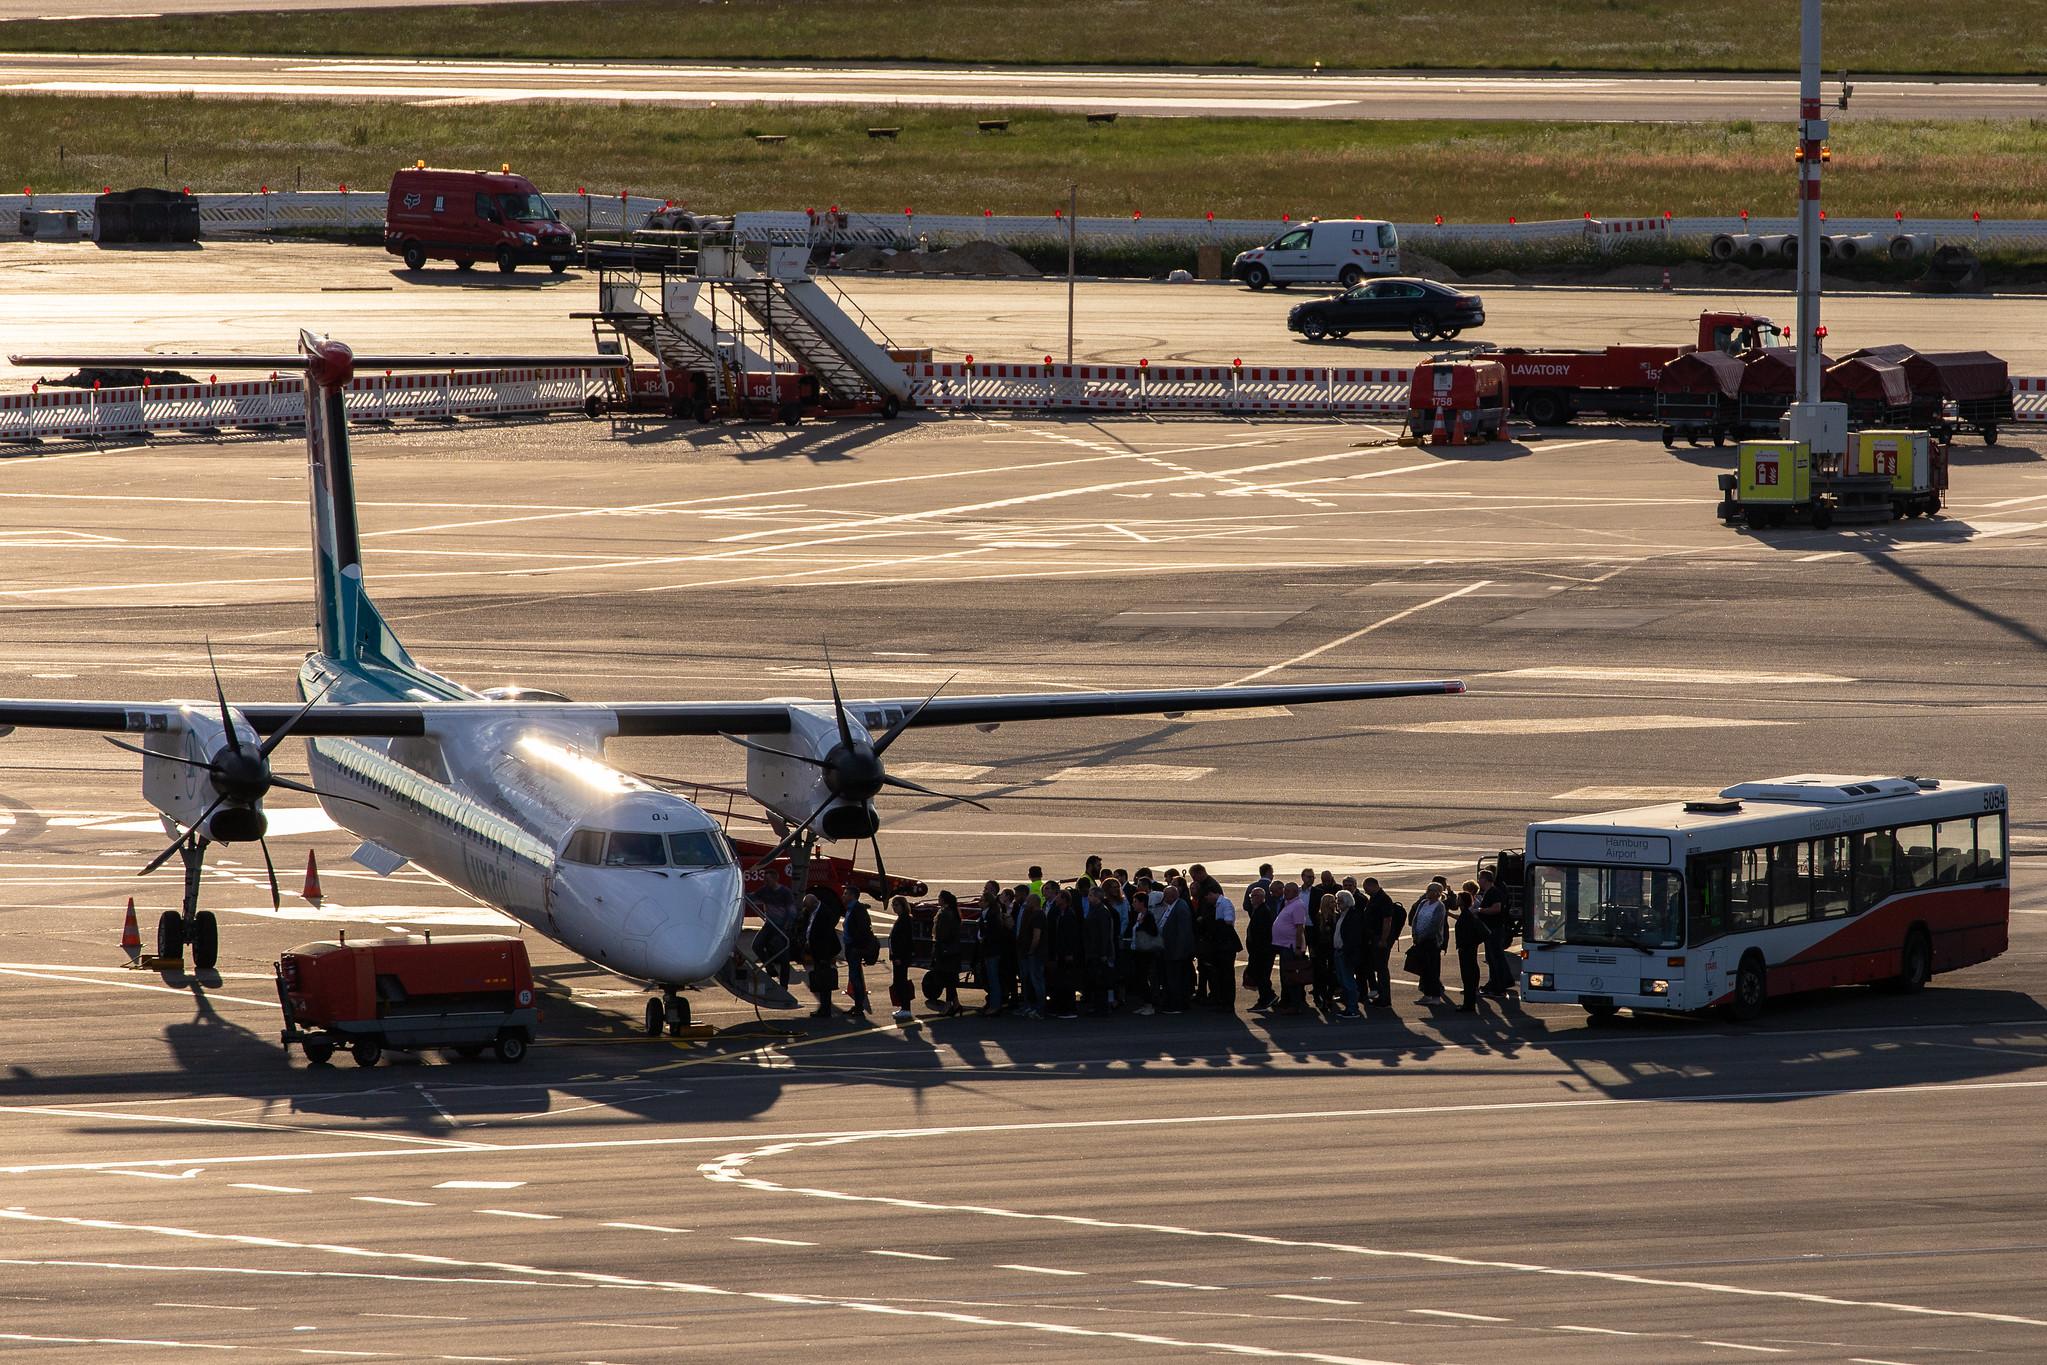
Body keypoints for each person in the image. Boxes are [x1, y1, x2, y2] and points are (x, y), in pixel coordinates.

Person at [1361, 877, 1405, 1009]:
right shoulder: (1375, 898)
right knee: (1377, 967)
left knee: (1381, 968)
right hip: (1375, 938)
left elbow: (1387, 921)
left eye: (1366, 888)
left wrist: (1383, 939)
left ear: (1373, 886)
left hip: (1380, 938)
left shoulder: (1383, 899)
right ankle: (1381, 995)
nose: (1365, 891)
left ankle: (1385, 998)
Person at [800, 891, 842, 1021]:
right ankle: (824, 1007)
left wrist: (824, 957)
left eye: (808, 907)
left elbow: (826, 938)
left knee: (824, 981)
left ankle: (825, 1009)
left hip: (824, 953)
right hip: (817, 951)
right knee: (821, 980)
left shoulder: (824, 913)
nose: (806, 910)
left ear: (814, 904)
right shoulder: (813, 911)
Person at [1270, 887, 1311, 1015]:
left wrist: (1298, 947)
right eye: (1285, 890)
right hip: (1284, 945)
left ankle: (1295, 1004)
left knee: (1292, 977)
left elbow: (1299, 928)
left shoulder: (1297, 905)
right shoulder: (1289, 904)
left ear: (1295, 892)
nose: (1285, 892)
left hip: (1291, 947)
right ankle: (1287, 1001)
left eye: (1288, 890)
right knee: (1286, 976)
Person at [755, 868, 799, 988]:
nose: (765, 882)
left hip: (781, 927)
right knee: (757, 945)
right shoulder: (764, 891)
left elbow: (792, 912)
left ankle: (784, 985)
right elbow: (753, 897)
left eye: (768, 880)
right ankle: (769, 966)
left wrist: (786, 928)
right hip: (770, 925)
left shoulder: (785, 893)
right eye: (764, 879)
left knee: (784, 957)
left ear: (775, 879)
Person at [1157, 880, 1195, 1014]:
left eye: (1165, 895)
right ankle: (1173, 1002)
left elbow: (1184, 932)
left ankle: (1177, 1004)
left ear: (1172, 896)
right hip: (1169, 949)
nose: (1163, 898)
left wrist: (1180, 951)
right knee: (1171, 978)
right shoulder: (1172, 906)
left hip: (1176, 951)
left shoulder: (1180, 907)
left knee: (1176, 979)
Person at [1476, 868, 1515, 999]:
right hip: (1491, 929)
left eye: (1480, 878)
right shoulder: (1489, 891)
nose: (1478, 881)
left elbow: (1496, 908)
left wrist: (1480, 910)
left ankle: (1499, 986)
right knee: (1493, 957)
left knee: (1495, 957)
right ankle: (1497, 983)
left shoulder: (1494, 892)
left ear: (1485, 880)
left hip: (1494, 929)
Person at [1408, 881, 1449, 1005]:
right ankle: (1427, 993)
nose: (1428, 892)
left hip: (1431, 941)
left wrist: (1423, 936)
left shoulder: (1440, 906)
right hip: (1420, 939)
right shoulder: (1423, 903)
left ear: (1437, 893)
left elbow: (1435, 925)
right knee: (1424, 969)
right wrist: (1415, 934)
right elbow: (1415, 919)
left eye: (1431, 890)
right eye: (1428, 890)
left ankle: (1435, 996)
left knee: (1433, 969)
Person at [1046, 888, 1084, 1019]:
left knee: (1067, 982)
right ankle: (1060, 1007)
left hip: (1066, 953)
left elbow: (1071, 936)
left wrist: (1069, 953)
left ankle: (1069, 1009)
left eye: (1058, 896)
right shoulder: (1059, 913)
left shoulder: (1069, 915)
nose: (1056, 899)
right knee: (1060, 981)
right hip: (1060, 952)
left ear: (1064, 899)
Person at [925, 889, 963, 1016]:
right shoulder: (953, 912)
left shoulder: (945, 914)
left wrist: (937, 947)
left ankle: (948, 1006)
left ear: (943, 900)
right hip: (952, 951)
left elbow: (942, 934)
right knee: (950, 979)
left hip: (945, 952)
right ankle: (956, 1004)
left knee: (947, 979)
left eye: (939, 898)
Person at [841, 891, 879, 1019]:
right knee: (854, 977)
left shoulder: (858, 910)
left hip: (855, 948)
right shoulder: (850, 909)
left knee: (855, 977)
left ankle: (859, 1006)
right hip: (851, 947)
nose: (843, 896)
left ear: (852, 896)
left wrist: (856, 946)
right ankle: (857, 1005)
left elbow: (862, 930)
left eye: (846, 894)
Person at [1081, 882, 1118, 1015]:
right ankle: (1097, 1005)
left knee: (1100, 980)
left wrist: (1103, 953)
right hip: (1093, 950)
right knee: (1095, 980)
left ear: (1097, 897)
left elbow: (1104, 934)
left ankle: (1102, 1007)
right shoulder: (1095, 910)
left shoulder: (1102, 911)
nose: (1089, 898)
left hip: (1098, 952)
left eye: (1091, 895)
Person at [1330, 890, 1365, 1018]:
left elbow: (1353, 937)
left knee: (1348, 980)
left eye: (1340, 901)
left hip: (1345, 953)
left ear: (1347, 902)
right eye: (1337, 901)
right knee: (1343, 980)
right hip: (1339, 951)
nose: (1337, 903)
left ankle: (1352, 1008)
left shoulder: (1352, 916)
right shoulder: (1342, 915)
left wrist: (1346, 950)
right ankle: (1350, 1007)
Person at [1127, 890, 1162, 1016]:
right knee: (1139, 978)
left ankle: (1150, 1005)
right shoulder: (1138, 916)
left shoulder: (1148, 916)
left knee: (1144, 978)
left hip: (1146, 953)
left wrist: (1142, 927)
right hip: (1137, 951)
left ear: (1142, 903)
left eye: (1135, 902)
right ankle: (1145, 1004)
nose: (1133, 904)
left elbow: (1153, 932)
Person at [1243, 884, 1276, 1012]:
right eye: (1251, 896)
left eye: (1254, 896)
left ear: (1261, 897)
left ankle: (1266, 999)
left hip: (1262, 951)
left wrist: (1257, 950)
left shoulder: (1262, 912)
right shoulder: (1258, 910)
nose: (1251, 898)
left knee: (1261, 975)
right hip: (1260, 950)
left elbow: (1262, 934)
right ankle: (1268, 996)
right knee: (1261, 975)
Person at [1454, 881, 1486, 1012]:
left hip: (1466, 948)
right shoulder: (1467, 914)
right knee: (1469, 975)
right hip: (1468, 947)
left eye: (1458, 899)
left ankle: (1469, 1004)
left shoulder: (1466, 916)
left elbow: (1469, 933)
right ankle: (1468, 1003)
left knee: (1467, 976)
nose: (1457, 901)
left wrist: (1466, 945)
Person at [1014, 892, 1047, 1019]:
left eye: (1028, 901)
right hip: (1031, 952)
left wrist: (1031, 950)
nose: (1026, 904)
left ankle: (1040, 1009)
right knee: (1032, 980)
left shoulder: (1037, 915)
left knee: (1036, 980)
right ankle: (1033, 1007)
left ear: (1033, 902)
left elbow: (1036, 936)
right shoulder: (1034, 914)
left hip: (1035, 953)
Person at [978, 896, 1012, 1016]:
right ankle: (993, 1004)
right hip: (989, 950)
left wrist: (983, 938)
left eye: (982, 900)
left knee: (993, 979)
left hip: (992, 951)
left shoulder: (992, 916)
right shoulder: (987, 914)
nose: (979, 902)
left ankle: (995, 1006)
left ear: (988, 903)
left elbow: (994, 934)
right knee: (991, 978)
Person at [886, 895, 917, 1023]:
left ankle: (906, 1008)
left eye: (897, 905)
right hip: (898, 956)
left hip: (901, 957)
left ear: (903, 906)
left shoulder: (905, 920)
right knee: (899, 981)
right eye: (893, 905)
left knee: (901, 981)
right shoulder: (901, 919)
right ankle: (903, 1007)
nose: (894, 907)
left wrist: (899, 956)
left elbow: (905, 941)